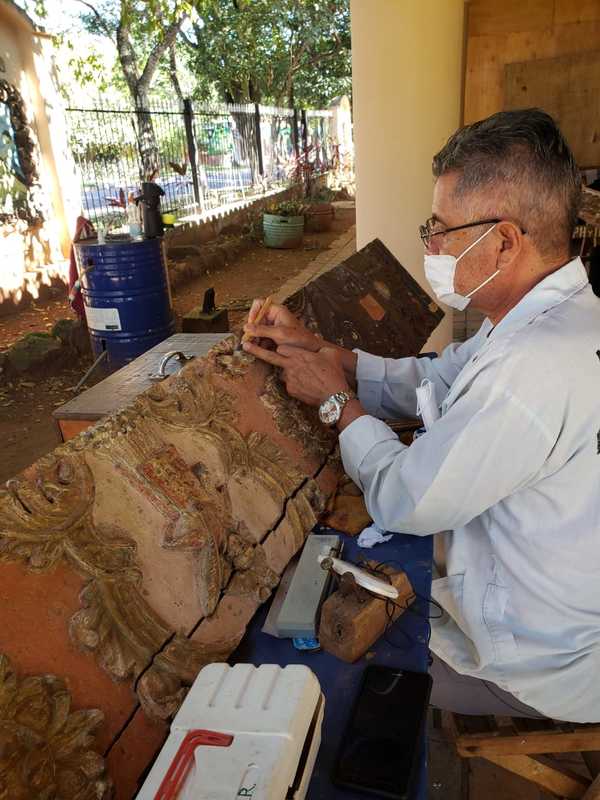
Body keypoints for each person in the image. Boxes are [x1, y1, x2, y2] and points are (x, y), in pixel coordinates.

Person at [242, 108, 600, 723]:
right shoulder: (554, 316)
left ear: (506, 241)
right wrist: (325, 354)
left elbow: (405, 500)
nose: (430, 245)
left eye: (442, 229)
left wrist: (336, 403)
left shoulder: (534, 366)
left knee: (308, 657)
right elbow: (438, 378)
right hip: (565, 607)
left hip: (545, 662)